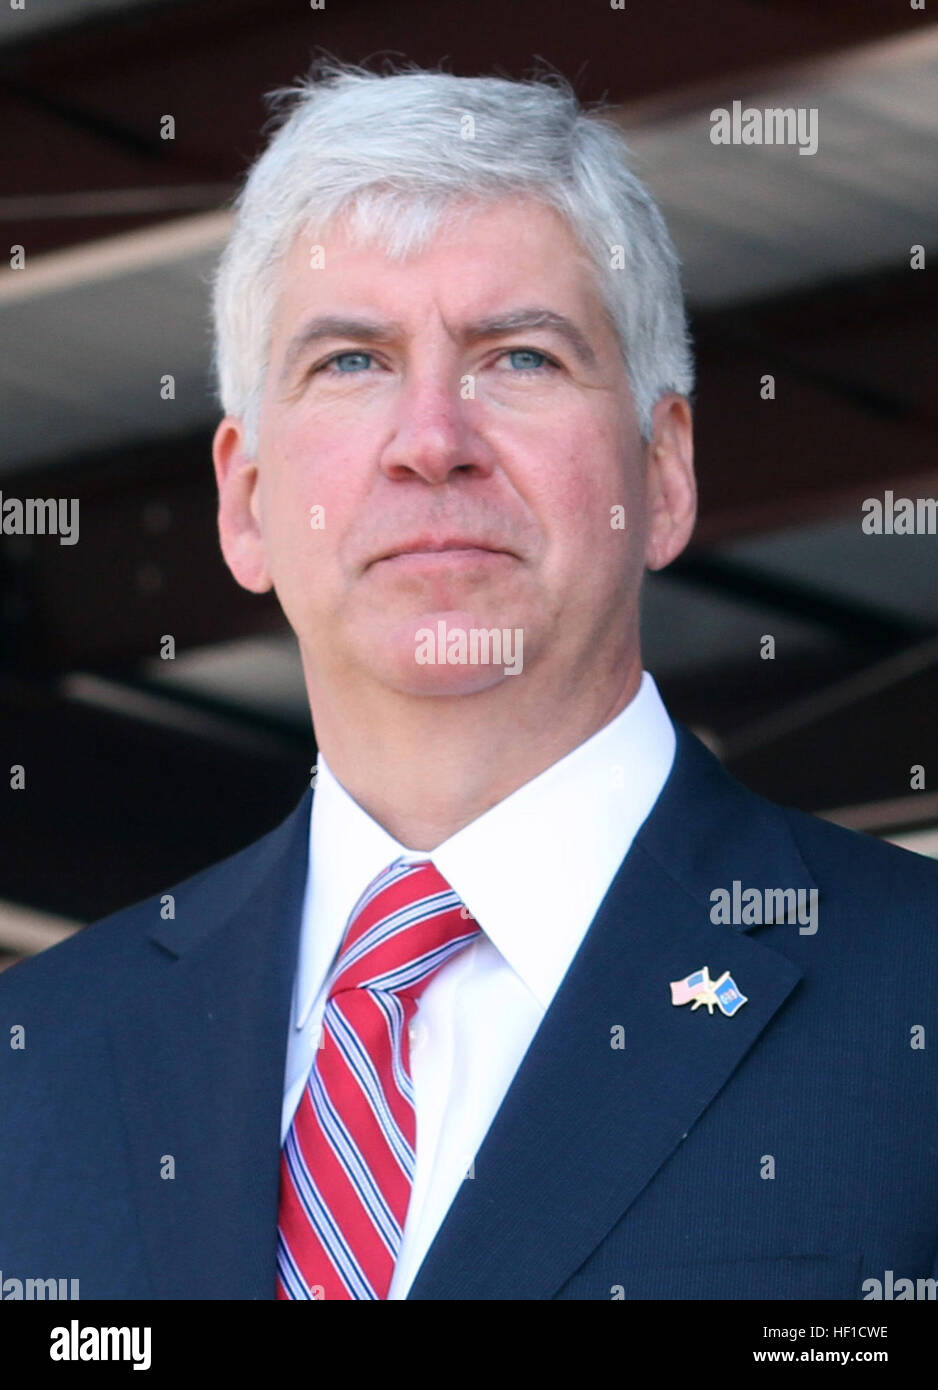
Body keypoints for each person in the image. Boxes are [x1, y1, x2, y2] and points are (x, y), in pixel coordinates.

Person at [2, 61, 936, 1303]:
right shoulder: (37, 1067)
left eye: (520, 358)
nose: (431, 439)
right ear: (245, 503)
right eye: (349, 362)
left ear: (661, 476)